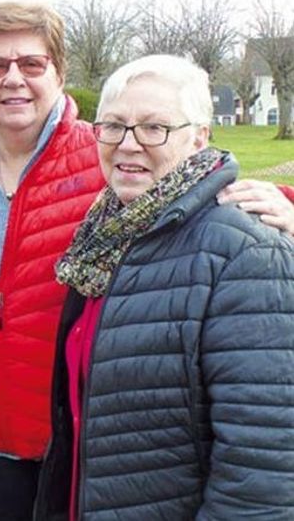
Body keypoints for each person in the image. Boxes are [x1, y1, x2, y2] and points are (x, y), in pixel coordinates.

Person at [0, 2, 294, 521]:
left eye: (31, 64)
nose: (14, 80)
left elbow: (201, 192)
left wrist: (287, 209)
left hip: (83, 435)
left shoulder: (107, 153)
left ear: (59, 73)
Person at [33, 54, 294, 519]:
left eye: (155, 128)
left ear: (200, 138)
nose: (128, 144)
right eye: (113, 126)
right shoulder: (105, 237)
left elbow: (262, 467)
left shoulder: (245, 254)